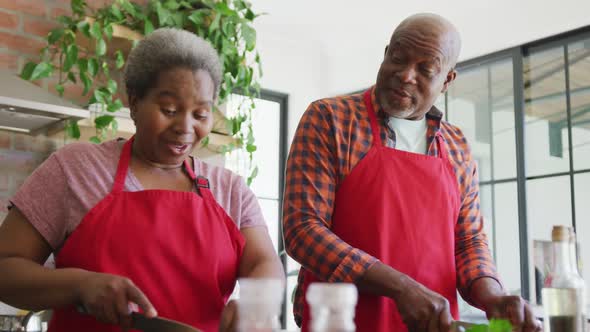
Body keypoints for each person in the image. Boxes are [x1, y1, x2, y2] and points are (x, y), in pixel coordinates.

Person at [0, 28, 284, 332]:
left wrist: (257, 305)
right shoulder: (76, 169)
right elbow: (6, 269)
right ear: (134, 102)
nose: (185, 128)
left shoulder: (230, 189)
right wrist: (80, 284)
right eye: (169, 110)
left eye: (201, 114)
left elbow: (263, 263)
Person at [283, 13, 541, 332]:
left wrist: (493, 297)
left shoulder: (456, 145)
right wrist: (401, 288)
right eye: (399, 58)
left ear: (446, 81)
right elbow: (303, 230)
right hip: (341, 323)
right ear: (386, 52)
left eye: (425, 69)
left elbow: (469, 241)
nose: (406, 75)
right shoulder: (330, 119)